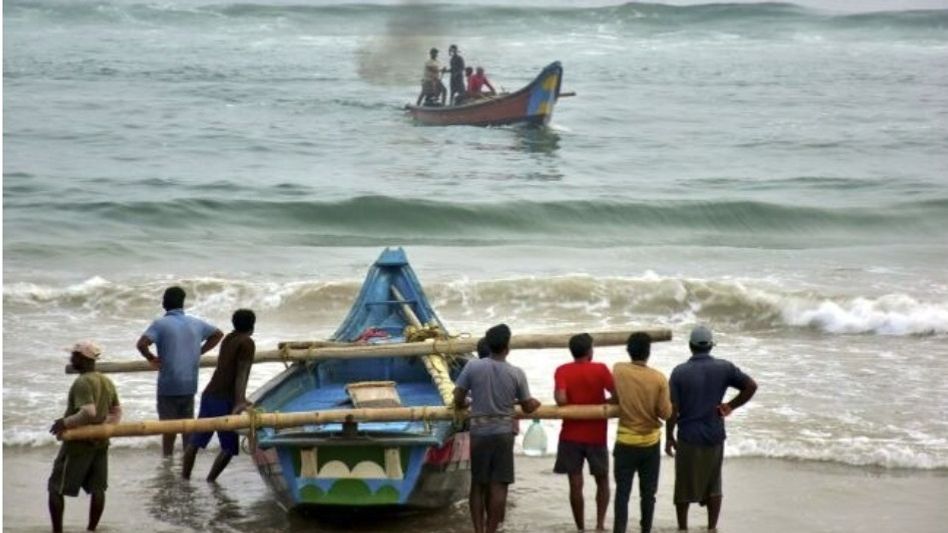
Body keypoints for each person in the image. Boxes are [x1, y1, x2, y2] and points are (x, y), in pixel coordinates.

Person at [666, 326, 758, 532]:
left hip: (688, 436)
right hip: (714, 434)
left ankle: (682, 528)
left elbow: (673, 408)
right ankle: (711, 527)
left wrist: (669, 436)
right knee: (714, 483)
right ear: (710, 346)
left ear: (690, 346)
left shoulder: (679, 372)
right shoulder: (724, 368)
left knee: (683, 485)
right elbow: (751, 386)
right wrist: (730, 406)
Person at [453, 324, 540, 533]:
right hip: (503, 433)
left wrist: (464, 404)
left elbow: (457, 397)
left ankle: (478, 530)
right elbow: (527, 407)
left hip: (479, 432)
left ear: (488, 344)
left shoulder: (473, 366)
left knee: (478, 484)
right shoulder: (516, 373)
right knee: (499, 485)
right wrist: (534, 403)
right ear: (507, 347)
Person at [137, 286, 223, 456]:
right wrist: (199, 351)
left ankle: (167, 462)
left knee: (168, 429)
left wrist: (151, 358)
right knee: (187, 428)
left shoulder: (160, 324)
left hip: (168, 384)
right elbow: (218, 334)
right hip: (189, 384)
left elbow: (141, 344)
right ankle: (186, 463)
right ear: (182, 304)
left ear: (164, 304)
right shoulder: (196, 323)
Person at [48, 341, 122, 533]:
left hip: (78, 443)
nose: (71, 358)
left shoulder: (82, 382)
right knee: (98, 488)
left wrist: (64, 423)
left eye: (73, 355)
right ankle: (91, 529)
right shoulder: (106, 380)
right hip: (100, 441)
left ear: (82, 359)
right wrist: (104, 430)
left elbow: (88, 412)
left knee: (55, 487)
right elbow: (117, 411)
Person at [182, 309, 256, 481]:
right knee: (229, 447)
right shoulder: (247, 342)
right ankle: (210, 480)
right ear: (252, 325)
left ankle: (184, 479)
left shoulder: (229, 339)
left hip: (210, 395)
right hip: (225, 399)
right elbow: (242, 372)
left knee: (196, 441)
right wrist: (240, 401)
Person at [553, 333, 615, 532]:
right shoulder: (600, 369)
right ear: (590, 351)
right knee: (602, 480)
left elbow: (561, 400)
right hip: (596, 434)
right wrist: (603, 404)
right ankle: (599, 525)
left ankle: (580, 528)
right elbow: (618, 394)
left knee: (575, 483)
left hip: (570, 434)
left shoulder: (562, 370)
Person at [612, 332, 672, 533]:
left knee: (622, 492)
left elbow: (614, 395)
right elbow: (665, 413)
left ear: (628, 351)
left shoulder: (618, 370)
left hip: (625, 441)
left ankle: (619, 529)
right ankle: (645, 529)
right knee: (648, 494)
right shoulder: (659, 379)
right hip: (649, 444)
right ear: (648, 353)